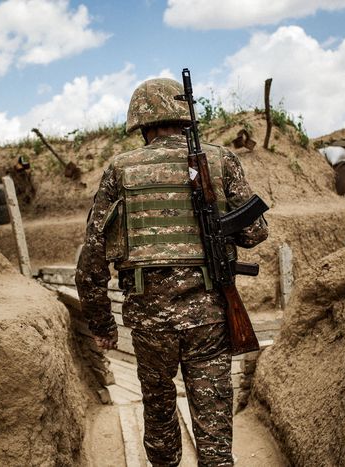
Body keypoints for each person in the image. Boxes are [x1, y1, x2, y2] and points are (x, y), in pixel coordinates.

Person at [75, 77, 268, 466]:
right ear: (184, 117)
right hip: (210, 317)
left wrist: (102, 326)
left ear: (143, 124)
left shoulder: (121, 169)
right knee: (213, 422)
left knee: (159, 411)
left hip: (149, 323)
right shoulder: (221, 160)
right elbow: (255, 231)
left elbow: (92, 259)